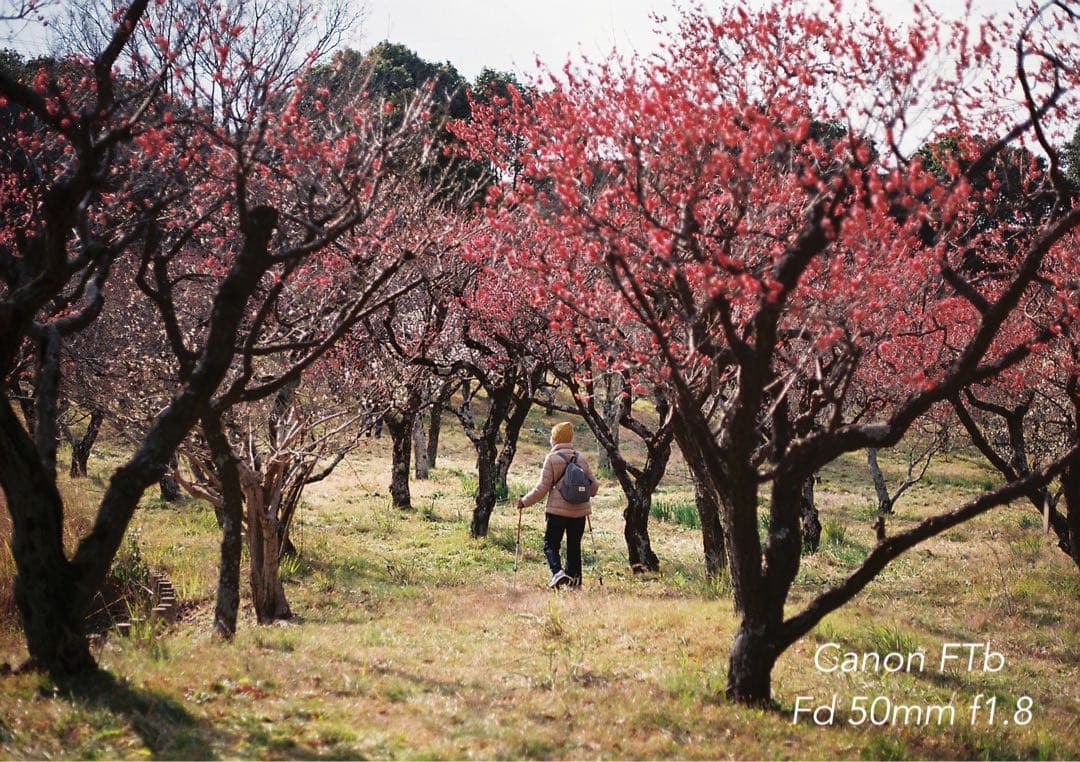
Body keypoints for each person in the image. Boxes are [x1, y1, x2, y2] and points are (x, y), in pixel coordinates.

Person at [516, 422, 600, 589]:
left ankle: (557, 573)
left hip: (557, 513)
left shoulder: (552, 459)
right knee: (574, 547)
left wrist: (524, 502)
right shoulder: (580, 458)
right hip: (579, 513)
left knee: (550, 544)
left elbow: (542, 488)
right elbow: (594, 486)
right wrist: (582, 493)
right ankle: (575, 584)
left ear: (555, 439)